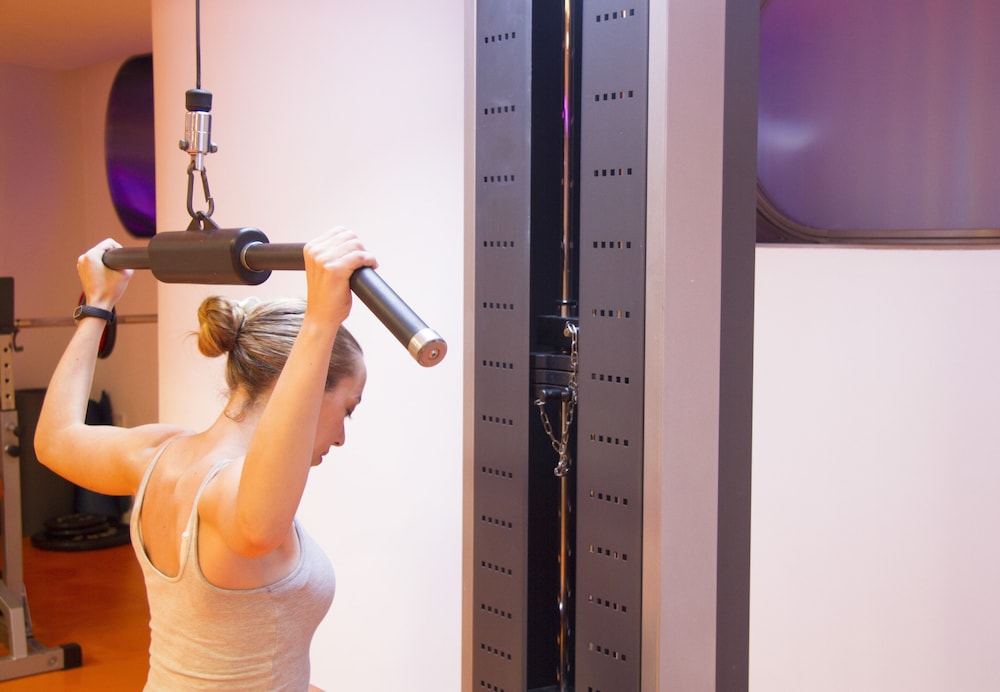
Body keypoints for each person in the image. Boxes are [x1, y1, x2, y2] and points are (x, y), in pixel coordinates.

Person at [34, 227, 377, 691]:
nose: (341, 437)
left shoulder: (161, 453)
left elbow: (55, 439)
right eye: (348, 409)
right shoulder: (233, 497)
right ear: (309, 384)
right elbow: (258, 527)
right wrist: (319, 322)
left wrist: (99, 304)